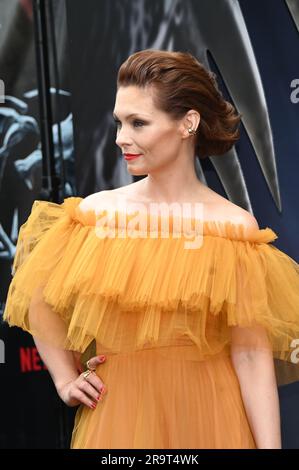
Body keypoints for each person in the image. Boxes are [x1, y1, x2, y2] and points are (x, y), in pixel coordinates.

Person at [3, 49, 299, 449]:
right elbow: (34, 298)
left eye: (138, 123)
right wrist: (64, 379)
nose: (121, 138)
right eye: (119, 122)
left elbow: (250, 355)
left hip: (213, 418)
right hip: (118, 417)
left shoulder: (231, 229)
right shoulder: (96, 215)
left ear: (188, 123)